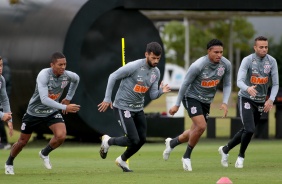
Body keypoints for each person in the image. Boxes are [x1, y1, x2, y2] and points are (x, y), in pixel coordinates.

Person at [98, 42, 170, 172]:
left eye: (158, 59)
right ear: (146, 54)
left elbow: (153, 95)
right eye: (153, 58)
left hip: (138, 108)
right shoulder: (134, 66)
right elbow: (112, 76)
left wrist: (161, 91)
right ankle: (108, 142)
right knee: (133, 139)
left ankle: (122, 160)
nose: (156, 61)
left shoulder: (156, 72)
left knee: (141, 139)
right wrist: (107, 98)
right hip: (122, 107)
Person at [4, 52, 81, 175]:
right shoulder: (44, 75)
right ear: (52, 65)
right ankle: (9, 162)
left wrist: (68, 97)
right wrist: (65, 106)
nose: (63, 67)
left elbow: (76, 79)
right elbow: (44, 99)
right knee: (22, 142)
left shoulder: (66, 76)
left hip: (51, 112)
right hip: (34, 112)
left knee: (61, 135)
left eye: (65, 64)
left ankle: (44, 153)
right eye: (60, 64)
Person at [162, 39, 232, 171]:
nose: (219, 55)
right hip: (191, 97)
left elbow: (227, 84)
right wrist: (177, 105)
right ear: (209, 51)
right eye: (216, 52)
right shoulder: (198, 65)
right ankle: (186, 156)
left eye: (221, 52)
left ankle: (172, 142)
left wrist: (224, 102)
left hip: (207, 101)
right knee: (201, 126)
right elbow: (185, 84)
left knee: (195, 130)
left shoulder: (226, 64)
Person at [218, 36, 279, 169]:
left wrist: (271, 99)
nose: (264, 49)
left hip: (260, 101)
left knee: (247, 129)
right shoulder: (248, 60)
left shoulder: (272, 62)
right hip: (245, 98)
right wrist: (248, 88)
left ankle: (225, 149)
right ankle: (241, 156)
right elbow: (239, 81)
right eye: (261, 47)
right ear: (255, 47)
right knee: (250, 129)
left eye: (266, 47)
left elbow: (276, 84)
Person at [0, 56, 13, 149]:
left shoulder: (1, 79)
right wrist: (1, 115)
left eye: (1, 65)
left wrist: (9, 120)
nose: (0, 68)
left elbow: (4, 100)